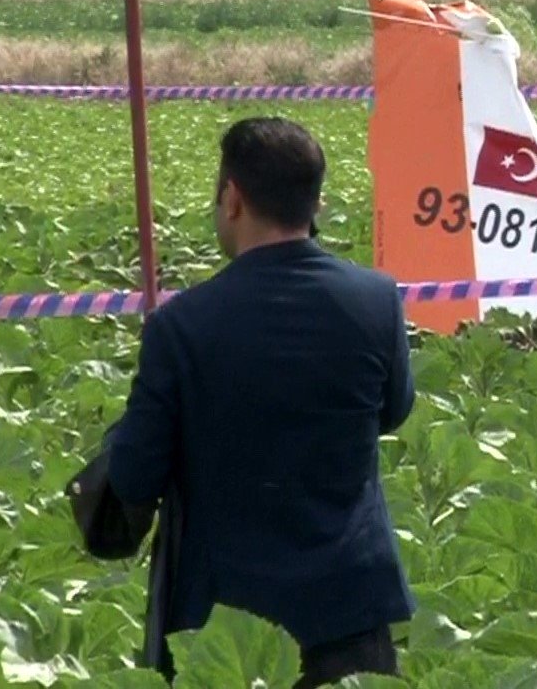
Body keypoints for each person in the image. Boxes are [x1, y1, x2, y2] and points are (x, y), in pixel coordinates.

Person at [109, 117, 416, 685]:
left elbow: (132, 475)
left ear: (232, 198)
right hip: (346, 611)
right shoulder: (376, 302)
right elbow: (392, 411)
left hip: (222, 628)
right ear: (316, 202)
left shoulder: (182, 326)